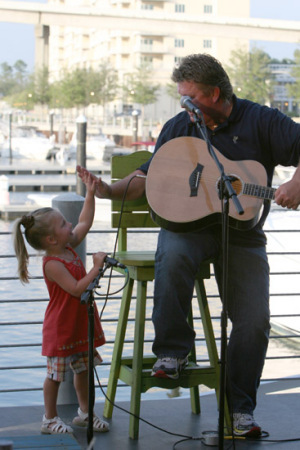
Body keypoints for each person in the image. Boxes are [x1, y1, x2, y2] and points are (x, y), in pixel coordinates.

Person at [77, 53, 300, 437]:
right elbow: (147, 177)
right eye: (181, 96)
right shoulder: (179, 126)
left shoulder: (261, 120)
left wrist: (296, 183)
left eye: (190, 97)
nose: (184, 104)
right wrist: (108, 190)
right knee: (174, 254)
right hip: (187, 229)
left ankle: (239, 412)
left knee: (254, 323)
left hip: (243, 233)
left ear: (215, 93)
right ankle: (172, 352)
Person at [13, 172, 109, 435]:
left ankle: (84, 413)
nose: (71, 225)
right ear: (51, 240)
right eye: (64, 224)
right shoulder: (53, 263)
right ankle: (50, 418)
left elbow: (85, 222)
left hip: (78, 325)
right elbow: (78, 290)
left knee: (83, 371)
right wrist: (96, 267)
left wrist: (90, 193)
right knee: (55, 376)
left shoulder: (68, 247)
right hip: (61, 328)